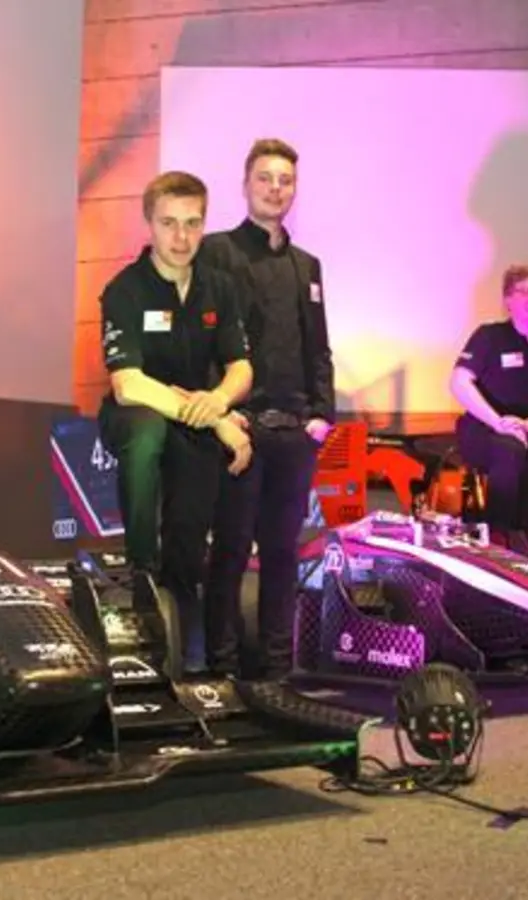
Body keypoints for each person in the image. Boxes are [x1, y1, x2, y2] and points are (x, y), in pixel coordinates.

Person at [98, 171, 255, 672]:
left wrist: (220, 401)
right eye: (169, 223)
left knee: (189, 541)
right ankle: (140, 567)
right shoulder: (124, 290)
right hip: (135, 416)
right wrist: (218, 422)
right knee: (147, 430)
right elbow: (129, 384)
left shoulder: (219, 287)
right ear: (149, 223)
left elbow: (241, 367)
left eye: (193, 223)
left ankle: (186, 642)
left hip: (195, 419)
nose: (181, 237)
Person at [199, 138, 335, 681]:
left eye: (285, 181)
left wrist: (322, 415)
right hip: (240, 430)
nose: (276, 189)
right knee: (229, 551)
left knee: (282, 554)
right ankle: (222, 667)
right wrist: (221, 413)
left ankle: (278, 670)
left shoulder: (308, 265)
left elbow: (318, 346)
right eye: (265, 179)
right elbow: (206, 342)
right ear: (246, 184)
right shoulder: (217, 252)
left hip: (295, 432)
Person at [448, 264, 528, 559]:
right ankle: (497, 539)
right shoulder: (489, 336)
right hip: (483, 432)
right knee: (509, 449)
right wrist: (499, 422)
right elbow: (459, 381)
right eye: (526, 293)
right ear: (508, 299)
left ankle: (524, 556)